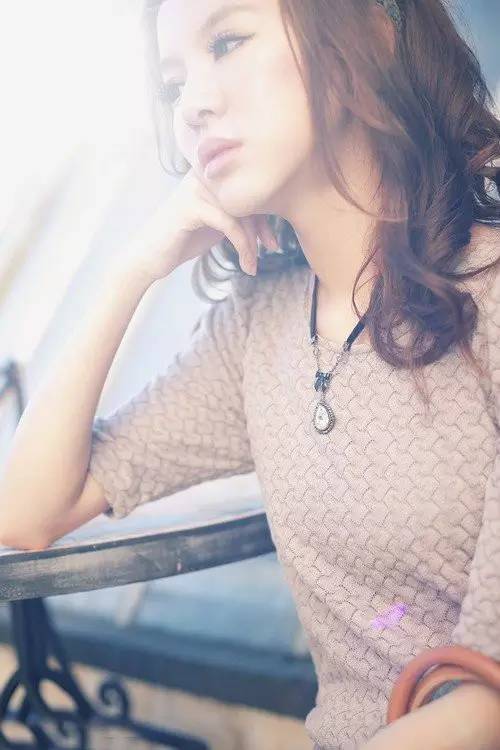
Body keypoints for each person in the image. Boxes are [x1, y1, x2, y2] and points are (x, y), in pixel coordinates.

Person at [1, 0, 500, 747]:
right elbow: (27, 511)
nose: (191, 106)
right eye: (173, 85)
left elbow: (486, 700)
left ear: (362, 38)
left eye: (228, 42)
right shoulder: (255, 333)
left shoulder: (489, 299)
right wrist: (133, 269)